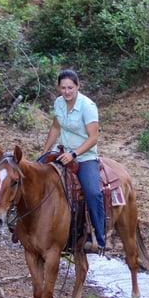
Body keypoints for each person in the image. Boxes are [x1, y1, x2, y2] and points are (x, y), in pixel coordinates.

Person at [41, 69, 106, 253]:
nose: (66, 91)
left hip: (84, 156)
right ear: (58, 88)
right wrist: (45, 153)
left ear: (78, 86)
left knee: (92, 192)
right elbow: (55, 127)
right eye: (63, 88)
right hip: (61, 151)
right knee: (34, 176)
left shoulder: (88, 106)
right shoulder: (58, 103)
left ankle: (99, 239)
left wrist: (74, 154)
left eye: (70, 87)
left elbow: (93, 137)